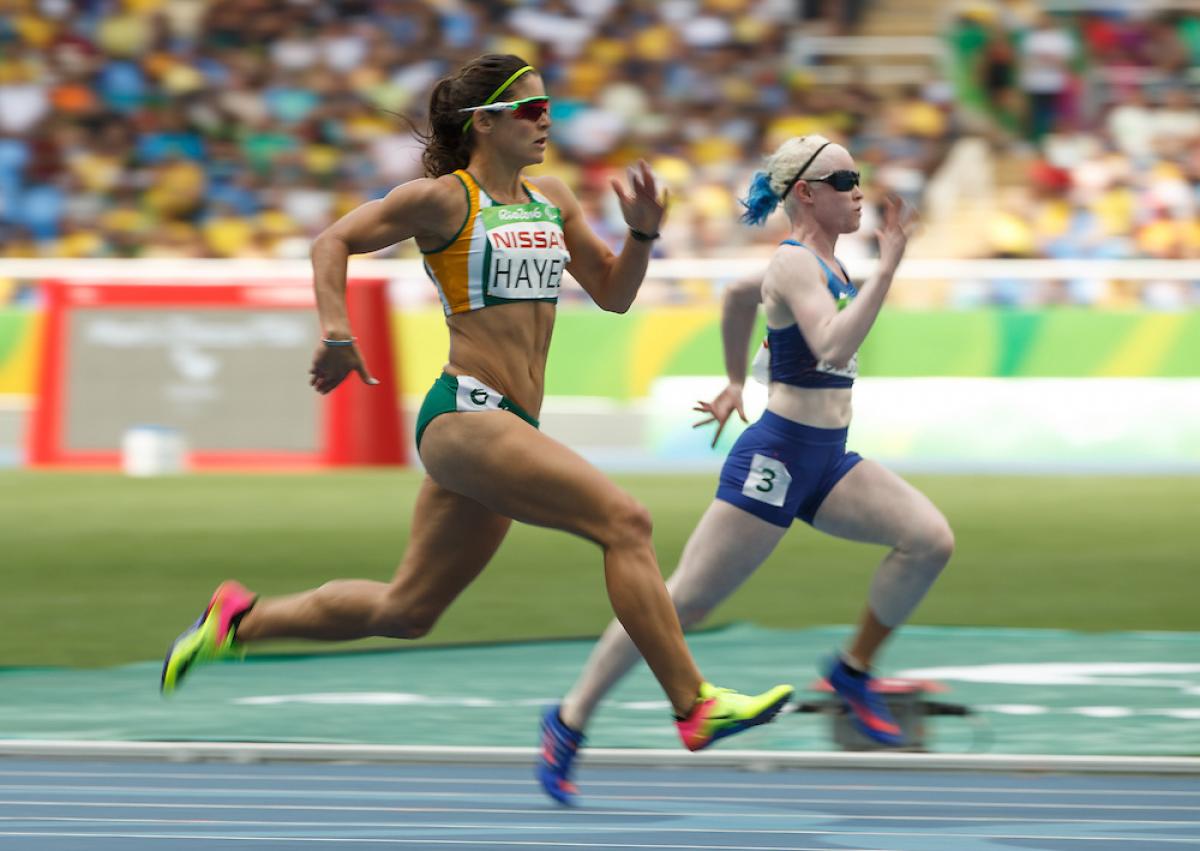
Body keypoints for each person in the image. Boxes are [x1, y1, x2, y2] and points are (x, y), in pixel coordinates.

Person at [159, 54, 792, 756]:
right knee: (625, 521)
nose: (547, 118)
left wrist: (641, 235)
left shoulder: (553, 198)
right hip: (464, 411)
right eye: (530, 109)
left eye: (549, 106)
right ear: (484, 123)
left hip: (508, 424)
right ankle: (693, 703)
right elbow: (330, 240)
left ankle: (237, 621)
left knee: (408, 609)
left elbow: (615, 293)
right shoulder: (443, 201)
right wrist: (337, 331)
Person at [535, 135, 954, 804]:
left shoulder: (812, 266)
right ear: (805, 195)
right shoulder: (796, 267)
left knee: (930, 539)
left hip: (828, 458)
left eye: (858, 176)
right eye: (840, 177)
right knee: (682, 603)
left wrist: (734, 380)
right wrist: (890, 266)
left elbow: (735, 295)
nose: (856, 189)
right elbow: (833, 344)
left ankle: (851, 672)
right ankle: (569, 718)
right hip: (779, 458)